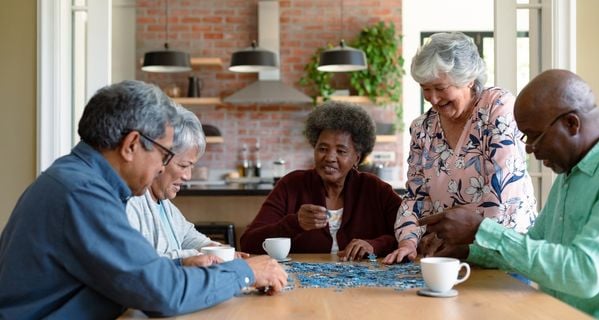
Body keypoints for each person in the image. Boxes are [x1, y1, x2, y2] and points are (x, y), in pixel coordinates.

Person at [0, 80, 287, 319]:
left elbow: (128, 276)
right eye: (163, 155)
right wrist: (244, 272)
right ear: (132, 145)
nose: (163, 168)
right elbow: (162, 294)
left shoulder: (77, 179)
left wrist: (178, 267)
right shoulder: (83, 193)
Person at [420, 69, 599, 317]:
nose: (529, 148)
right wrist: (470, 251)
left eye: (535, 136)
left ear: (571, 123)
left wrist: (481, 229)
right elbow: (534, 246)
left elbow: (585, 273)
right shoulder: (569, 173)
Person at [383, 32, 537, 264]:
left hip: (502, 250)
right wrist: (408, 242)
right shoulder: (422, 128)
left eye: (440, 88)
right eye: (425, 88)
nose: (433, 99)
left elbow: (503, 191)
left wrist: (467, 245)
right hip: (448, 254)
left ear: (469, 79)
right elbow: (416, 197)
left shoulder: (497, 108)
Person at [240, 101, 402, 261]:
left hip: (365, 283)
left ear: (357, 158)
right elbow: (248, 243)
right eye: (323, 149)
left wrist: (375, 245)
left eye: (341, 151)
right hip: (301, 282)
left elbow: (412, 235)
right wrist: (294, 223)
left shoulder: (375, 189)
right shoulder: (291, 185)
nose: (330, 158)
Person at [126, 105, 249, 266]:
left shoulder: (163, 202)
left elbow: (186, 235)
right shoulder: (131, 202)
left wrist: (215, 249)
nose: (188, 176)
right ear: (159, 156)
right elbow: (146, 265)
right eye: (183, 165)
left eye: (192, 166)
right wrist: (198, 255)